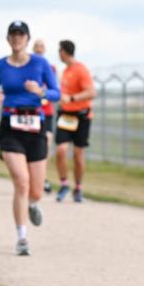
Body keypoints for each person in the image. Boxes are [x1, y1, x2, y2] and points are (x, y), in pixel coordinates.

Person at [0, 20, 60, 255]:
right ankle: (22, 238)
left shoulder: (40, 63)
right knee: (21, 181)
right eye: (13, 35)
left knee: (36, 189)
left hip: (35, 125)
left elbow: (56, 93)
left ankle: (32, 203)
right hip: (11, 126)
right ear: (8, 39)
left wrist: (39, 91)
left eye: (21, 35)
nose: (17, 39)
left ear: (28, 39)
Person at [54, 39, 96, 203]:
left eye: (59, 51)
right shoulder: (65, 71)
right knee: (61, 150)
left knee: (78, 155)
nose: (58, 54)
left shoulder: (81, 69)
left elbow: (92, 92)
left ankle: (78, 187)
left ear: (64, 52)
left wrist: (71, 98)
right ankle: (64, 183)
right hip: (65, 116)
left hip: (81, 116)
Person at [32, 38, 58, 193]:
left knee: (46, 144)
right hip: (32, 111)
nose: (39, 49)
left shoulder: (51, 68)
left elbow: (54, 89)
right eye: (37, 46)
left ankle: (43, 177)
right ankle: (33, 176)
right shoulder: (28, 65)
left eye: (42, 46)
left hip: (46, 111)